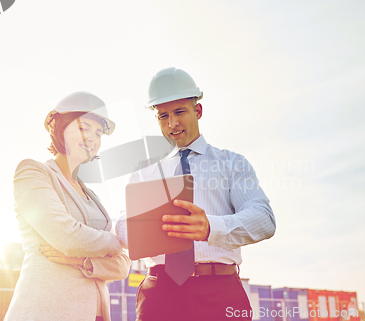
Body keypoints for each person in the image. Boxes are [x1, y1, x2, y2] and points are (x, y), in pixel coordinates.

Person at [116, 68, 276, 321]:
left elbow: (264, 219)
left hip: (219, 292)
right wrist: (150, 228)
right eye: (163, 116)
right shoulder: (145, 171)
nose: (172, 124)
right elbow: (122, 225)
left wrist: (211, 227)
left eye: (180, 112)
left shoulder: (232, 163)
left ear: (197, 111)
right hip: (159, 293)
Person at [5, 91, 131, 321]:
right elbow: (66, 236)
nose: (93, 137)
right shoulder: (34, 172)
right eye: (84, 128)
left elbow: (123, 267)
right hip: (46, 311)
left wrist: (83, 261)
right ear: (60, 128)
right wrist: (116, 244)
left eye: (99, 132)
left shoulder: (91, 195)